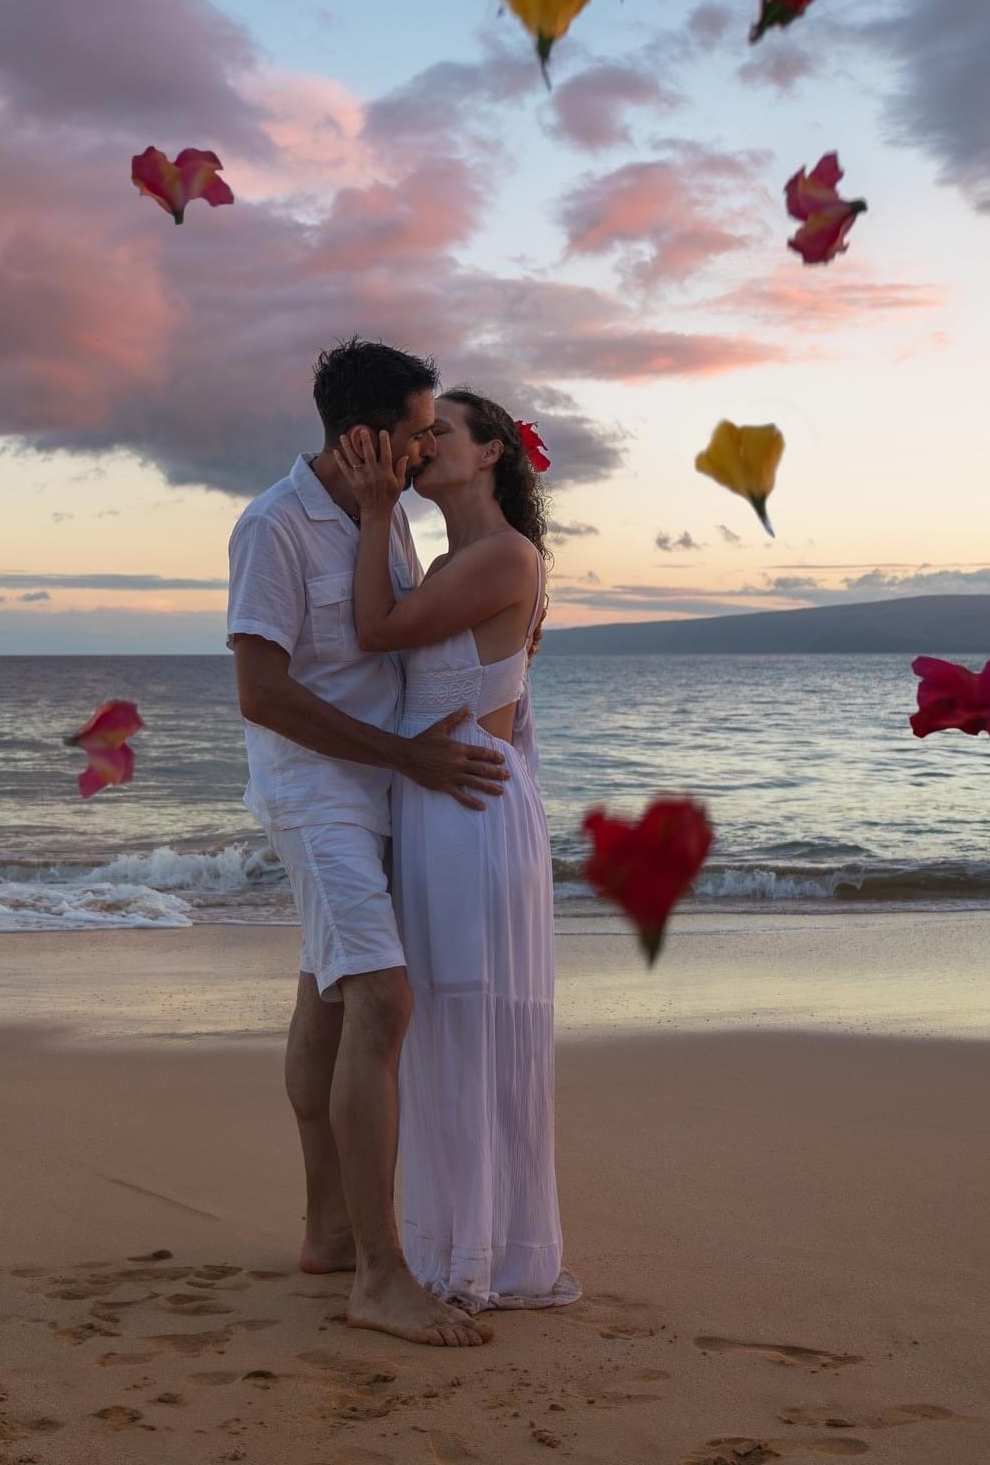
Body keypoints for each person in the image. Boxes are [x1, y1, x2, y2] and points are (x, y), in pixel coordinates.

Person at [227, 339, 509, 1349]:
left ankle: (328, 1230)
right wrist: (405, 755)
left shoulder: (375, 515)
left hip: (380, 783)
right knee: (383, 998)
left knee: (329, 990)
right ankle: (380, 1277)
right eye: (415, 425)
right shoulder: (273, 525)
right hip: (315, 789)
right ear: (364, 433)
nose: (425, 441)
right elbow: (260, 691)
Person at [334, 390, 579, 1313]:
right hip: (448, 790)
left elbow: (377, 633)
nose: (421, 443)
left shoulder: (503, 554)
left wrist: (370, 512)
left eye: (442, 433)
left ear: (491, 455)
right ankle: (466, 1242)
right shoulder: (460, 558)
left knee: (466, 1020)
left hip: (463, 802)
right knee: (444, 1022)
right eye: (420, 431)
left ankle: (476, 1254)